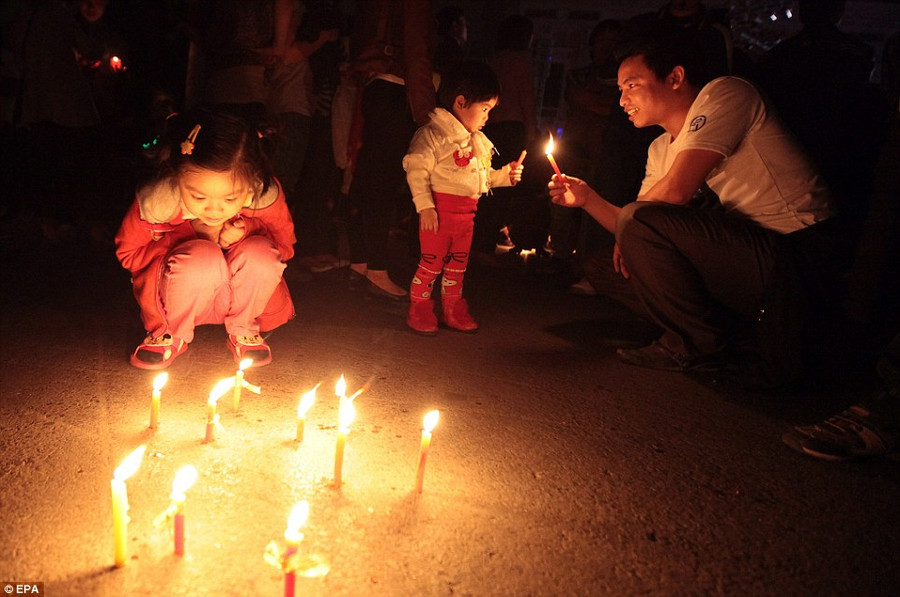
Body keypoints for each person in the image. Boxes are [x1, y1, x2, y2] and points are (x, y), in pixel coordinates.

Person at [547, 31, 835, 385]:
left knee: (639, 223)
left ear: (675, 77)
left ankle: (701, 345)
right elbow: (640, 225)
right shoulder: (659, 150)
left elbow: (672, 195)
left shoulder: (726, 94)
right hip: (750, 255)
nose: (622, 99)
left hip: (800, 250)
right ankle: (723, 333)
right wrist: (588, 198)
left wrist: (630, 226)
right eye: (620, 89)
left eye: (632, 85)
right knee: (604, 269)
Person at [115, 107, 296, 370]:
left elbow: (284, 248)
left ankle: (244, 330)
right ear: (177, 178)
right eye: (199, 197)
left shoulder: (264, 197)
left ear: (249, 185)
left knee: (261, 254)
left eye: (230, 198)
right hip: (179, 296)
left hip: (238, 298)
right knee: (201, 256)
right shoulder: (159, 204)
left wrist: (241, 234)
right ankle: (171, 335)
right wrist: (191, 238)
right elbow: (128, 254)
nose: (214, 209)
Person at [403, 61, 524, 334]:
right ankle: (419, 308)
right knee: (431, 263)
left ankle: (451, 308)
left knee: (457, 266)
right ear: (460, 102)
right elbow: (416, 167)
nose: (487, 117)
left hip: (466, 217)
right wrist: (425, 206)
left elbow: (480, 179)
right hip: (438, 214)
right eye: (484, 109)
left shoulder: (476, 141)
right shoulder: (434, 135)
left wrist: (505, 176)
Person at [344, 0, 435, 300]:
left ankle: (360, 262)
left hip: (374, 84)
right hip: (396, 87)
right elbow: (415, 47)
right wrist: (426, 112)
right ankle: (377, 269)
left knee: (368, 179)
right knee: (382, 185)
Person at [473, 14, 537, 260]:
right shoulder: (522, 61)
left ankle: (480, 239)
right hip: (512, 128)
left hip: (489, 127)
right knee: (504, 184)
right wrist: (531, 131)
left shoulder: (493, 60)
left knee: (486, 184)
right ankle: (486, 244)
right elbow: (527, 99)